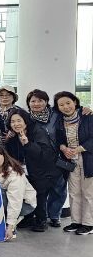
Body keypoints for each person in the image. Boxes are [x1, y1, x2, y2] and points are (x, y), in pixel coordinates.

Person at [7, 108, 59, 231]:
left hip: (42, 170)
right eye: (12, 122)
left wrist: (28, 144)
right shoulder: (13, 135)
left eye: (19, 121)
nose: (16, 124)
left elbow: (45, 154)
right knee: (25, 193)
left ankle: (41, 220)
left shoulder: (37, 131)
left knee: (39, 195)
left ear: (25, 121)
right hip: (24, 170)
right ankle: (28, 218)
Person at [26, 89, 71, 227]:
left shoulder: (56, 115)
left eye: (40, 100)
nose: (36, 104)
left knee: (59, 189)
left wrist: (84, 109)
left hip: (58, 158)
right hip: (37, 160)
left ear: (46, 102)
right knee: (41, 190)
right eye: (33, 101)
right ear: (28, 103)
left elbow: (72, 112)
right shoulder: (27, 119)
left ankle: (55, 215)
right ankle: (42, 216)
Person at [54, 91, 93, 235]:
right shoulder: (59, 120)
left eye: (68, 103)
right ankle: (76, 221)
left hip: (87, 158)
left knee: (88, 192)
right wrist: (63, 148)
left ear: (75, 102)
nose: (66, 107)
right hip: (70, 160)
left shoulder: (87, 116)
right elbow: (59, 140)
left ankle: (89, 223)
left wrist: (78, 149)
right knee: (74, 191)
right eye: (61, 105)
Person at [0, 144, 37, 241]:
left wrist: (10, 227)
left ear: (4, 156)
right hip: (7, 201)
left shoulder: (15, 174)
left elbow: (15, 201)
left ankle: (11, 223)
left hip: (24, 204)